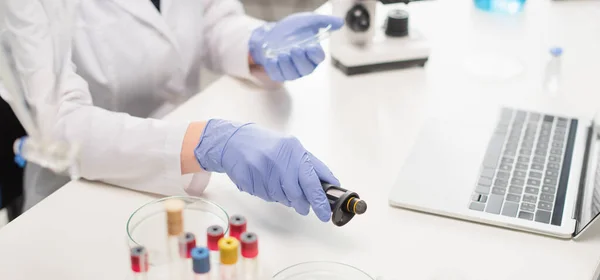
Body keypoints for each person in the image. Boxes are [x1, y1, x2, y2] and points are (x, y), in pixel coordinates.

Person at [0, 0, 344, 222]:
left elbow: (210, 17)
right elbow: (60, 122)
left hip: (195, 195)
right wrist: (207, 143)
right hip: (79, 199)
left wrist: (255, 45)